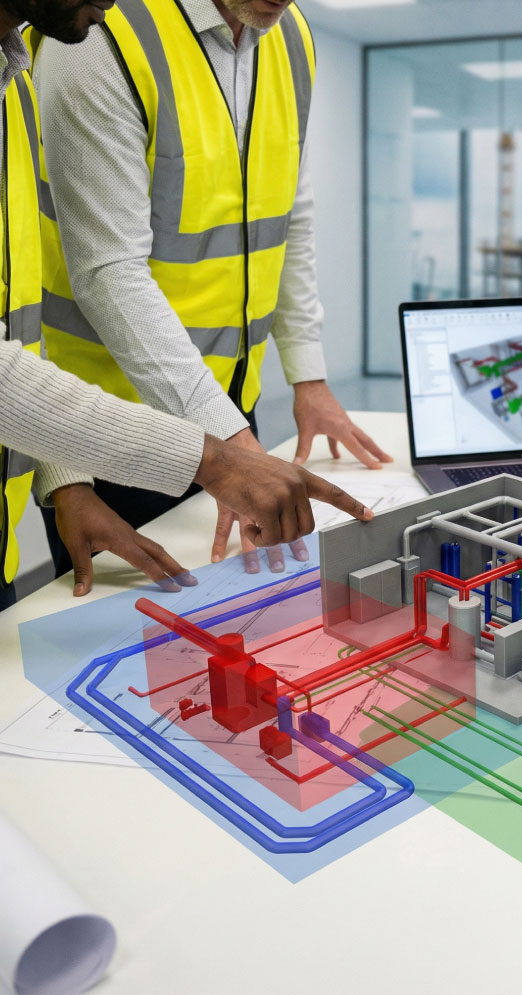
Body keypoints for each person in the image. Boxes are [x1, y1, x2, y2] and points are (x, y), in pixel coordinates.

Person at [0, 0, 370, 613]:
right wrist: (74, 471)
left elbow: (286, 212)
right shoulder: (96, 39)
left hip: (223, 413)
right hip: (112, 420)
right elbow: (103, 270)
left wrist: (304, 376)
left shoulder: (292, 36)